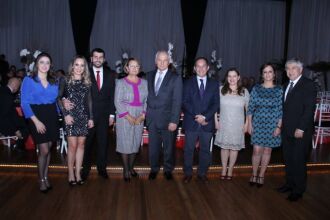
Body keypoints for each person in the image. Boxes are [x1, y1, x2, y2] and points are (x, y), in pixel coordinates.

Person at [277, 58, 316, 201]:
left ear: (300, 70)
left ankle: (298, 190)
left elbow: (309, 109)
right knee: (288, 158)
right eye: (288, 68)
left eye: (293, 68)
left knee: (299, 160)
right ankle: (289, 184)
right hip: (287, 130)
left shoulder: (308, 84)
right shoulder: (286, 85)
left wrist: (301, 128)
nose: (290, 71)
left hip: (301, 131)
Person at [21, 53, 59, 193]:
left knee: (48, 149)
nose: (44, 65)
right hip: (35, 116)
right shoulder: (29, 80)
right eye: (41, 62)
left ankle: (45, 176)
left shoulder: (54, 80)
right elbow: (24, 103)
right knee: (43, 149)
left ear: (50, 65)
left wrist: (63, 111)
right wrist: (36, 122)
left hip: (51, 115)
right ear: (37, 64)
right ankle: (41, 179)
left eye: (47, 62)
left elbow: (56, 100)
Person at [78, 48, 116, 180]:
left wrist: (112, 115)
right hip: (88, 116)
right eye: (95, 56)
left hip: (105, 115)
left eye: (101, 57)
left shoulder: (111, 74)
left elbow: (112, 96)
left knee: (103, 143)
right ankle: (85, 169)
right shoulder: (84, 73)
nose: (98, 59)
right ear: (91, 58)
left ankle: (102, 169)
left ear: (104, 59)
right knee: (86, 144)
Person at [146, 51, 182, 180]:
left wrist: (174, 120)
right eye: (159, 60)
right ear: (155, 61)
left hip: (168, 120)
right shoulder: (148, 75)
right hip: (152, 119)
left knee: (169, 148)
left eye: (165, 60)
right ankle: (154, 169)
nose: (162, 62)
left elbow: (177, 101)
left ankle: (168, 170)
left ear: (169, 62)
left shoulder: (175, 77)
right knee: (153, 148)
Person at [58, 56, 94, 186]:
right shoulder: (65, 80)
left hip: (83, 117)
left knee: (81, 145)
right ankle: (71, 173)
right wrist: (65, 114)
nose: (79, 68)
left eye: (82, 65)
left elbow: (89, 100)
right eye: (77, 65)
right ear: (72, 65)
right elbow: (58, 98)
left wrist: (91, 118)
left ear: (85, 67)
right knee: (72, 146)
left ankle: (78, 173)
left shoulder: (86, 81)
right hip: (70, 117)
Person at [182, 57, 219, 183]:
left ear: (208, 68)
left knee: (205, 150)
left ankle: (202, 173)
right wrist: (197, 116)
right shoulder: (187, 83)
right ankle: (187, 173)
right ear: (194, 68)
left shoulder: (214, 84)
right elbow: (185, 102)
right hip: (191, 121)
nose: (201, 68)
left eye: (203, 66)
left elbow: (215, 104)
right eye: (198, 66)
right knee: (188, 149)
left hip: (207, 122)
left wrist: (205, 117)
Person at [247, 63, 282, 187]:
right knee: (256, 150)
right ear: (262, 75)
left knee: (267, 150)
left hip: (272, 124)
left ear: (274, 74)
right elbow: (250, 108)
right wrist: (249, 124)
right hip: (258, 123)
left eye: (270, 71)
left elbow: (280, 110)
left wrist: (279, 126)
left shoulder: (279, 90)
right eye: (265, 72)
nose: (267, 74)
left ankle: (261, 175)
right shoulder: (256, 88)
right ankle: (254, 173)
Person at [115, 58, 148, 182]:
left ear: (139, 68)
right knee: (125, 143)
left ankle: (131, 167)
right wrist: (128, 116)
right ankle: (126, 169)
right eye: (132, 66)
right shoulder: (120, 82)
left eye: (137, 66)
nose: (134, 68)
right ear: (127, 68)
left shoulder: (145, 83)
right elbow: (117, 101)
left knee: (135, 142)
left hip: (140, 114)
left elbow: (146, 101)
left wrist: (143, 115)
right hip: (124, 115)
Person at [214, 68, 249, 179]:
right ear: (226, 78)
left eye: (234, 76)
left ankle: (230, 170)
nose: (232, 78)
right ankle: (224, 169)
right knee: (224, 148)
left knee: (234, 149)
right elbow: (214, 107)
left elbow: (249, 110)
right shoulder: (220, 90)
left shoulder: (244, 91)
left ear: (238, 77)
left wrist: (247, 124)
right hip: (223, 123)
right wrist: (216, 121)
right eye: (229, 76)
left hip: (238, 125)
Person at [0, 77, 28, 151]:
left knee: (24, 121)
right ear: (15, 86)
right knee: (27, 126)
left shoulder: (2, 90)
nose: (18, 89)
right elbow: (5, 116)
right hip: (4, 124)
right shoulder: (8, 96)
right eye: (18, 87)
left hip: (6, 120)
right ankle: (18, 147)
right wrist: (16, 130)